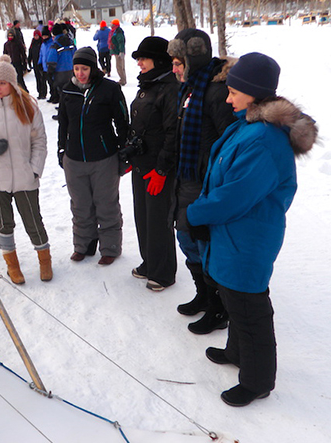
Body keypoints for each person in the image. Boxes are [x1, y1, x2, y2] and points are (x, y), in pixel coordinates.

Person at [187, 52, 317, 406]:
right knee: (232, 297)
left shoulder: (263, 139)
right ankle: (237, 352)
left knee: (248, 307)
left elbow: (235, 196)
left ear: (254, 93)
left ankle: (258, 380)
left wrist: (195, 214)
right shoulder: (248, 125)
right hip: (233, 235)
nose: (227, 99)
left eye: (233, 92)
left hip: (247, 237)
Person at [167, 29, 236, 333]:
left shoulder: (216, 92)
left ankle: (219, 307)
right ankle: (204, 295)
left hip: (205, 181)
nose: (174, 68)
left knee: (203, 244)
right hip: (186, 177)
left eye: (179, 62)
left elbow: (229, 142)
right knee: (186, 238)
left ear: (193, 60)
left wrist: (216, 180)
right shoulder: (191, 88)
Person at [0, 55, 51, 284]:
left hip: (25, 178)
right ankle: (12, 266)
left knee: (33, 221)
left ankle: (45, 261)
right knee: (3, 224)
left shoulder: (28, 108)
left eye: (2, 83)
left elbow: (39, 142)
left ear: (12, 84)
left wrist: (34, 170)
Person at [58, 47, 129, 264]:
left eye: (85, 68)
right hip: (74, 159)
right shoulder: (67, 90)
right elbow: (63, 123)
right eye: (77, 68)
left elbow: (122, 121)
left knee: (106, 204)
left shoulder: (109, 88)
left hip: (103, 158)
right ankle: (84, 246)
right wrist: (62, 149)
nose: (80, 73)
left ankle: (110, 247)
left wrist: (121, 149)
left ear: (93, 68)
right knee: (80, 205)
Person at [126, 36, 179, 291]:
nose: (138, 63)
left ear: (158, 60)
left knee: (159, 221)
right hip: (141, 165)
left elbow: (173, 134)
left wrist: (161, 169)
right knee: (143, 218)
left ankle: (164, 272)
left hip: (159, 168)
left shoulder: (170, 88)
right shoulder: (148, 84)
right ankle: (150, 261)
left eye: (143, 59)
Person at [46, 23, 76, 118]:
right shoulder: (70, 42)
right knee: (69, 92)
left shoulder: (55, 45)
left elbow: (51, 61)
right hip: (71, 71)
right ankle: (66, 109)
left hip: (59, 73)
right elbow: (75, 54)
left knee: (62, 93)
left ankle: (63, 114)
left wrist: (49, 73)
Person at [4, 27, 29, 92]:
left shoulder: (18, 43)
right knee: (12, 81)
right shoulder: (6, 44)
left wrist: (24, 64)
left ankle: (25, 93)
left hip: (18, 63)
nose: (10, 37)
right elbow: (5, 55)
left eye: (11, 35)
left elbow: (23, 54)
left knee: (20, 80)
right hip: (10, 64)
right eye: (9, 35)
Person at [38, 26, 57, 103]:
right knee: (49, 82)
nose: (44, 37)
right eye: (43, 36)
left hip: (51, 66)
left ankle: (56, 96)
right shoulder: (43, 45)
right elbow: (41, 54)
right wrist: (39, 63)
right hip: (45, 67)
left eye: (46, 36)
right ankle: (52, 95)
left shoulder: (52, 43)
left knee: (53, 83)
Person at [28, 29, 47, 99]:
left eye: (37, 36)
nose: (36, 37)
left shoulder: (42, 43)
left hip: (41, 63)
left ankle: (44, 93)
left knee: (42, 79)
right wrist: (29, 61)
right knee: (37, 78)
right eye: (35, 36)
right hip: (35, 63)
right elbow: (30, 52)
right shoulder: (33, 43)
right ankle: (39, 92)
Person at [109, 19, 126, 86]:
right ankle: (123, 79)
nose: (111, 25)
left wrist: (121, 51)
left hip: (118, 52)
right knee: (120, 66)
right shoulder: (115, 31)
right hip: (117, 51)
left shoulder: (118, 32)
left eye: (112, 24)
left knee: (119, 67)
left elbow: (121, 42)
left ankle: (122, 80)